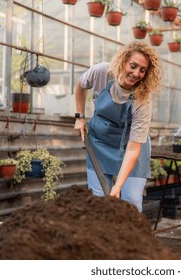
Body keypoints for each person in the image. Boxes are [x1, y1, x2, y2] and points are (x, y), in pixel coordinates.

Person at [74, 41, 162, 212]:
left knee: (131, 203)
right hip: (99, 143)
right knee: (98, 201)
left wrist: (117, 187)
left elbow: (133, 148)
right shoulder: (102, 72)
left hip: (130, 147)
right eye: (133, 66)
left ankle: (130, 238)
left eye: (142, 70)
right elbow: (80, 85)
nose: (136, 73)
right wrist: (80, 117)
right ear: (123, 61)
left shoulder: (142, 99)